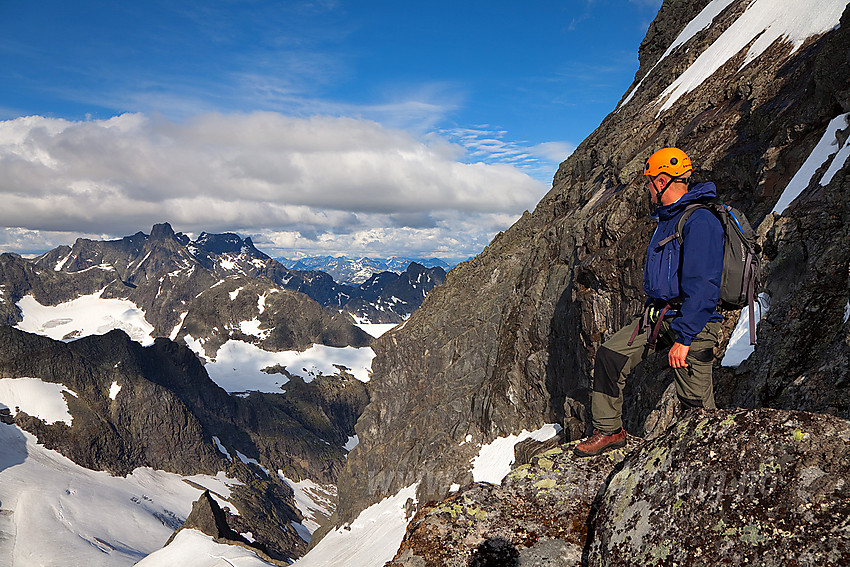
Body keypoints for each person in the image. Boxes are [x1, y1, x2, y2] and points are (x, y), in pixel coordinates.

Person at [574, 147, 725, 457]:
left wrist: (685, 338)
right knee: (610, 355)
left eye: (649, 181)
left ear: (662, 181)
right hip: (659, 315)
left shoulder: (700, 222)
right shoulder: (667, 219)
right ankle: (609, 430)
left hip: (693, 322)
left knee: (696, 405)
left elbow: (705, 286)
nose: (646, 188)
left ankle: (711, 454)